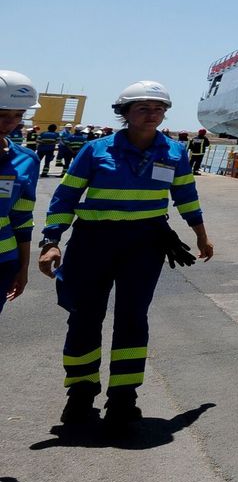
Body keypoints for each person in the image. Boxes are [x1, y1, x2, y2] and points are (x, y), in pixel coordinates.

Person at [38, 80, 215, 428]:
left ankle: (123, 398)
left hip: (145, 245)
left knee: (133, 319)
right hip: (93, 243)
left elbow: (186, 198)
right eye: (143, 108)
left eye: (159, 109)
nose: (152, 115)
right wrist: (51, 240)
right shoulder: (96, 150)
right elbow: (65, 198)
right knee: (84, 317)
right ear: (125, 113)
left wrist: (202, 236)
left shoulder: (175, 153)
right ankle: (80, 393)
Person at [0, 71, 40, 316]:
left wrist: (23, 267)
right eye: (3, 115)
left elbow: (22, 219)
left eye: (19, 115)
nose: (11, 123)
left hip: (3, 262)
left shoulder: (27, 160)